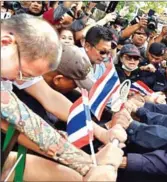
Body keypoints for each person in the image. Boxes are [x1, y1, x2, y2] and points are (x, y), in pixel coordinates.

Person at [1, 14, 125, 181]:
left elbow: (49, 96)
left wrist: (102, 133)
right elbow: (19, 118)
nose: (18, 80)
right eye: (23, 73)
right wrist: (87, 163)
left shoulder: (14, 58)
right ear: (6, 43)